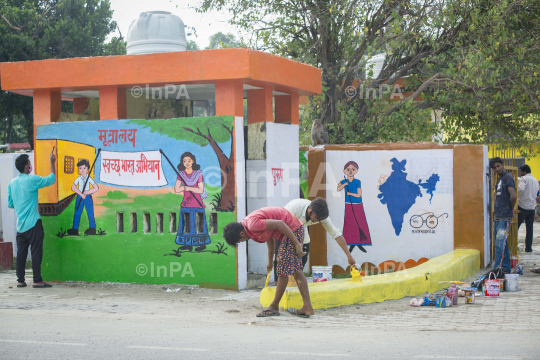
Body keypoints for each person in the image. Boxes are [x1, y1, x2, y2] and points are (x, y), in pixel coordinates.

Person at [223, 207, 312, 318]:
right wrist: (270, 261)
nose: (242, 241)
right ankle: (307, 306)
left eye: (239, 241)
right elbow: (270, 237)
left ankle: (274, 306)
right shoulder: (249, 229)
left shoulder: (251, 225)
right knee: (295, 270)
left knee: (282, 270)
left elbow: (279, 224)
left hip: (292, 230)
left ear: (241, 233)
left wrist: (297, 244)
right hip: (292, 231)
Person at [8, 153, 56, 288]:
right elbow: (51, 179)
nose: (30, 165)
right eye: (29, 163)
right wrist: (52, 162)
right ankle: (37, 280)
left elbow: (11, 204)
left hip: (20, 225)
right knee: (36, 251)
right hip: (34, 223)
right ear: (25, 166)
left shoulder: (12, 183)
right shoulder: (32, 180)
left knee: (21, 254)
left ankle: (20, 280)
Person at [278, 197, 356, 279]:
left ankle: (297, 279)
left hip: (302, 226)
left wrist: (349, 256)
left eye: (321, 220)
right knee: (281, 255)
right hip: (286, 226)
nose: (319, 221)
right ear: (310, 212)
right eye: (317, 218)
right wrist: (294, 244)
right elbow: (280, 228)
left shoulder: (320, 216)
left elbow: (336, 234)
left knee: (303, 253)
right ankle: (278, 282)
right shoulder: (292, 209)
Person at [174, 152, 210, 251]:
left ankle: (201, 244)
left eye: (189, 160)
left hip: (197, 204)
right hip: (186, 204)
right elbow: (177, 189)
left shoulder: (198, 173)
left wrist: (187, 188)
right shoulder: (180, 174)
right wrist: (185, 187)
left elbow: (201, 190)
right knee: (187, 225)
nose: (187, 163)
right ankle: (187, 245)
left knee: (199, 225)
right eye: (184, 161)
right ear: (182, 162)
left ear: (193, 161)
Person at [337, 161, 372, 253]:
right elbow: (338, 188)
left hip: (357, 205)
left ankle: (359, 243)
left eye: (353, 169)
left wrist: (349, 193)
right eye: (348, 169)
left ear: (356, 170)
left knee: (359, 223)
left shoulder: (357, 182)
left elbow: (359, 194)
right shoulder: (344, 181)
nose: (350, 171)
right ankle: (351, 243)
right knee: (350, 224)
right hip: (348, 205)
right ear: (345, 171)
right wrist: (345, 185)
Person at [490, 157, 516, 272]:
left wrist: (511, 209)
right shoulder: (499, 179)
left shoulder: (508, 177)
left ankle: (497, 269)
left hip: (505, 216)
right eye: (494, 167)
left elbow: (513, 196)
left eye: (498, 166)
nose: (497, 169)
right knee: (501, 242)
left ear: (502, 165)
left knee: (500, 243)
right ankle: (506, 268)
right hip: (497, 216)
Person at [67, 159, 99, 236]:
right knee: (77, 212)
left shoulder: (89, 178)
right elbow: (73, 187)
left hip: (88, 197)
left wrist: (87, 192)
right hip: (80, 197)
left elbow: (96, 188)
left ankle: (92, 228)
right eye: (80, 168)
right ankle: (75, 229)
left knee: (90, 212)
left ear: (87, 168)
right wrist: (81, 194)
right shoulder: (78, 178)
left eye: (84, 168)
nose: (82, 170)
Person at [517, 165, 539, 253]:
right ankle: (528, 248)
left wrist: (517, 196)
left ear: (524, 172)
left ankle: (514, 245)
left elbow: (521, 189)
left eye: (521, 172)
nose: (521, 174)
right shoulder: (535, 181)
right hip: (532, 207)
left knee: (516, 227)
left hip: (522, 206)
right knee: (529, 228)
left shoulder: (524, 179)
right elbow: (537, 192)